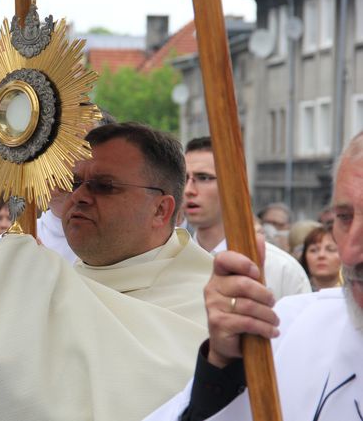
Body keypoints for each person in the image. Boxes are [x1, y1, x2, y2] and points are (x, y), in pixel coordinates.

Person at [0, 122, 214, 421]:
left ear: (161, 209)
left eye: (104, 186)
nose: (79, 196)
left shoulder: (210, 303)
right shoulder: (31, 282)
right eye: (75, 182)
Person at [142, 131, 363, 421]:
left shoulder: (282, 269)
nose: (349, 253)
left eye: (205, 178)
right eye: (344, 217)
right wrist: (223, 367)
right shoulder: (289, 328)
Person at [182, 137, 310, 299]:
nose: (189, 190)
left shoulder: (281, 269)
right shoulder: (172, 264)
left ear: (233, 183)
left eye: (204, 178)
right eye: (184, 178)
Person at [299, 225, 342, 291]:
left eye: (331, 249)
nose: (321, 255)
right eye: (314, 250)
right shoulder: (295, 291)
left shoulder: (357, 295)